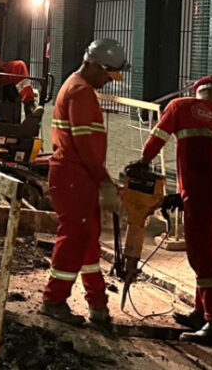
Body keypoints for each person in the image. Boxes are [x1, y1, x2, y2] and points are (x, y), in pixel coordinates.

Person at [129, 75, 212, 347]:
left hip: (204, 193)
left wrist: (143, 162)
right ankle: (201, 313)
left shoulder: (180, 106)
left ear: (199, 92)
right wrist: (185, 191)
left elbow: (158, 136)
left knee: (202, 258)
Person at [40, 38, 126, 326]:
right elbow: (86, 146)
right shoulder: (81, 92)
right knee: (74, 237)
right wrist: (105, 182)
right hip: (74, 176)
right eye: (106, 74)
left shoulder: (78, 87)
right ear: (93, 65)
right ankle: (53, 300)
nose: (108, 81)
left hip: (78, 177)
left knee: (88, 241)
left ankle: (97, 303)